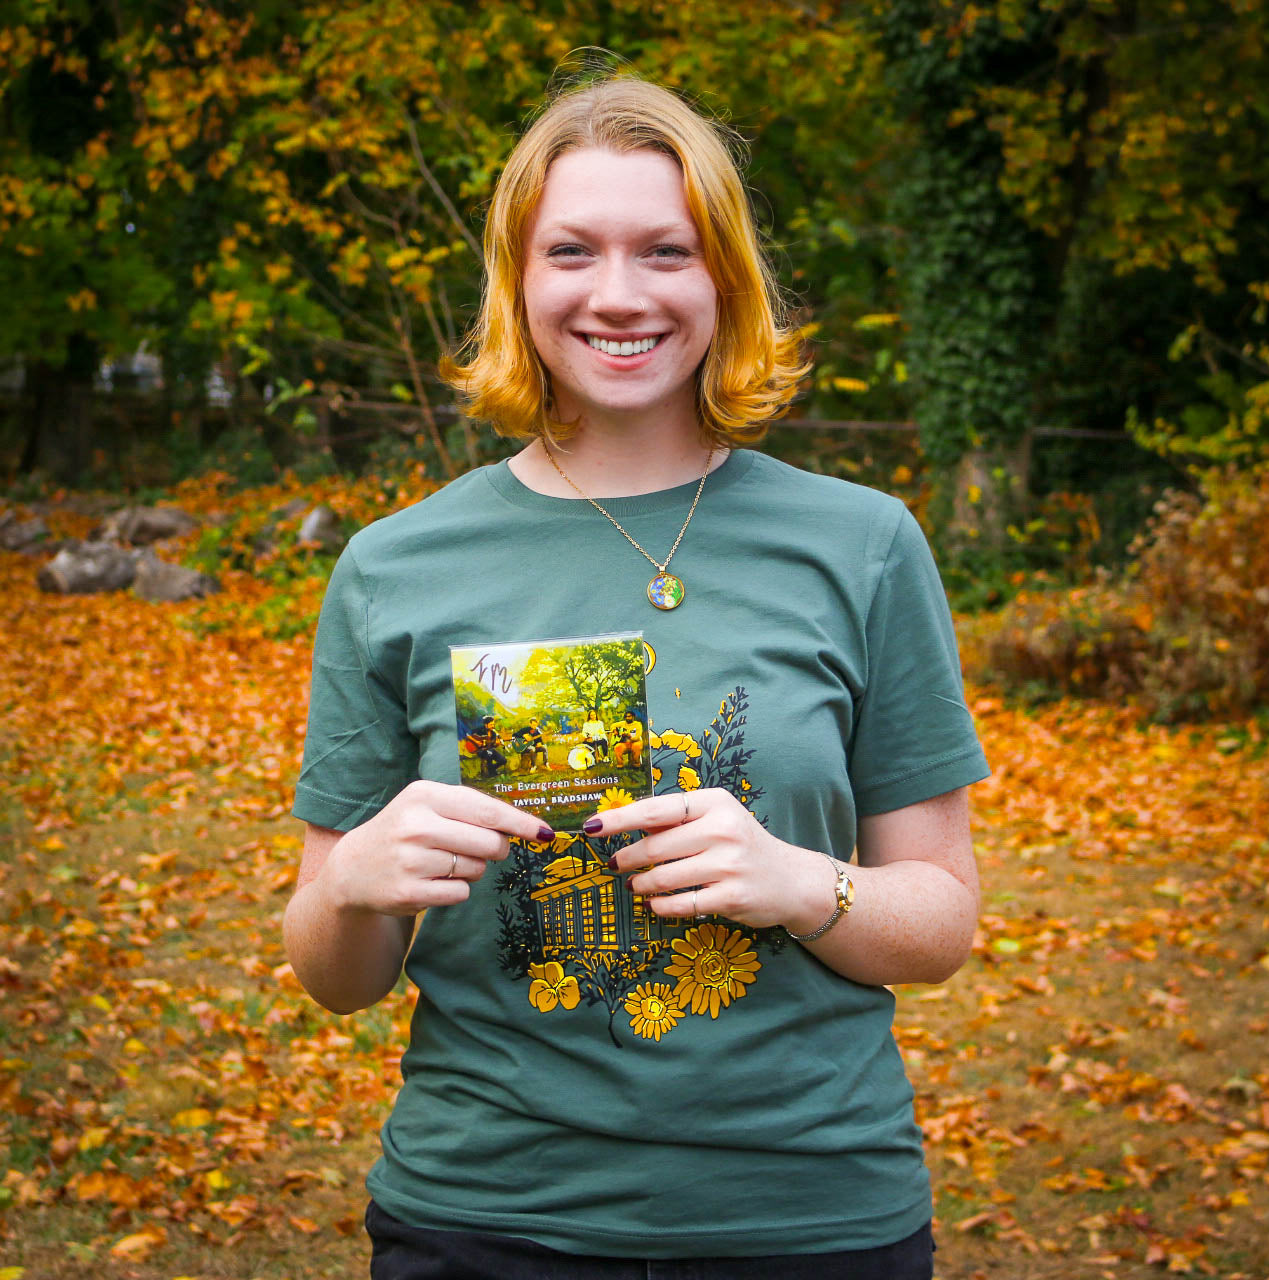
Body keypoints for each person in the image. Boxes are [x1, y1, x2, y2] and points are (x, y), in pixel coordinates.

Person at [285, 73, 988, 1280]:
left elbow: (939, 922)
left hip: (808, 1214)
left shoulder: (861, 543)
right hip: (484, 1217)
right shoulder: (392, 564)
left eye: (665, 250)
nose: (618, 294)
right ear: (517, 278)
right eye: (572, 250)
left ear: (722, 277)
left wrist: (790, 878)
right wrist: (353, 882)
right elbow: (332, 975)